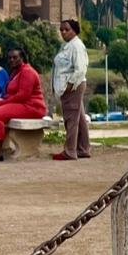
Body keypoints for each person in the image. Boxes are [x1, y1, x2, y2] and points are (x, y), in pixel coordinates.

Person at [0, 46, 48, 160]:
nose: (11, 60)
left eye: (15, 57)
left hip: (32, 107)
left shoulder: (27, 72)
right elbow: (11, 94)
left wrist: (1, 103)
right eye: (9, 58)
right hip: (20, 104)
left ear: (22, 58)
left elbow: (23, 96)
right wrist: (0, 100)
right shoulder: (15, 72)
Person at [52, 17, 90, 160]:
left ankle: (70, 151)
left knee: (71, 119)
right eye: (61, 30)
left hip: (73, 85)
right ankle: (83, 148)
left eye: (66, 29)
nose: (63, 32)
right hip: (71, 85)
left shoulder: (76, 46)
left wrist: (69, 86)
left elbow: (80, 69)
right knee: (79, 118)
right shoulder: (68, 45)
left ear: (74, 31)